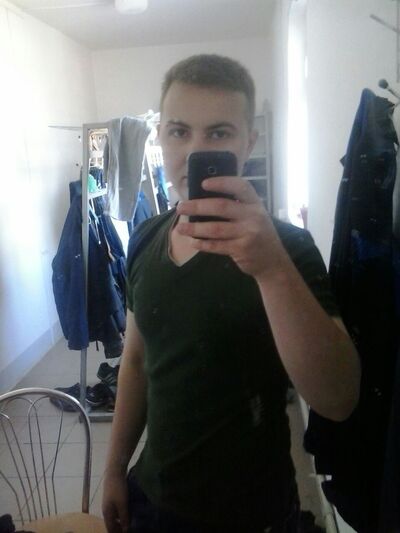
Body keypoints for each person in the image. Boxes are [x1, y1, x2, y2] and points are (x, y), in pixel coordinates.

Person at [102, 54, 361, 533]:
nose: (194, 150)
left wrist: (271, 269)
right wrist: (115, 468)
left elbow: (338, 399)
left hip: (253, 511)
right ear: (161, 136)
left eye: (219, 133)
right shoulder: (145, 238)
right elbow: (136, 360)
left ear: (249, 142)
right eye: (179, 131)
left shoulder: (288, 248)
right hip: (152, 496)